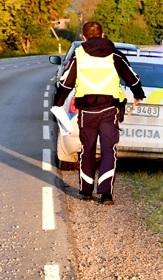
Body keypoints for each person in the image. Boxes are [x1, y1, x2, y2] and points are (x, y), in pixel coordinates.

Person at [53, 22, 145, 205]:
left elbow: (66, 83)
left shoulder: (78, 57)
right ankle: (106, 194)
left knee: (87, 150)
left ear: (84, 37)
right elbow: (132, 78)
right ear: (103, 34)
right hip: (110, 110)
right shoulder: (115, 55)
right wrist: (138, 95)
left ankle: (86, 192)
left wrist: (58, 103)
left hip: (87, 112)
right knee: (109, 151)